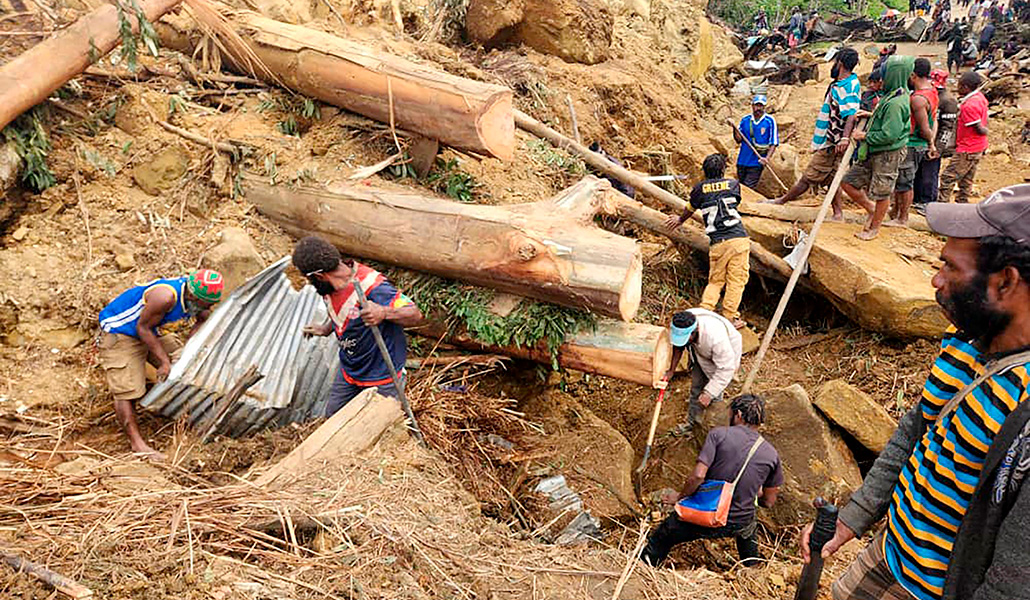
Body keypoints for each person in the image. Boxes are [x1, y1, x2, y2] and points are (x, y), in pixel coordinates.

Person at [801, 184, 1030, 600]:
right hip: (887, 554)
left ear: (1005, 283)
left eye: (951, 268)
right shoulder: (966, 338)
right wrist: (855, 515)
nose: (936, 279)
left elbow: (1016, 574)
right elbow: (918, 427)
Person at [641, 394, 782, 568]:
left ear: (738, 415)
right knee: (749, 529)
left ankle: (644, 567)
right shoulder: (771, 453)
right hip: (739, 521)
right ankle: (753, 570)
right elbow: (768, 501)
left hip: (705, 514)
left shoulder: (718, 435)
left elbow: (698, 476)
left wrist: (679, 497)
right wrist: (749, 493)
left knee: (662, 536)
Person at [98, 269, 224, 459]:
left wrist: (188, 349)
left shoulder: (199, 301)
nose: (208, 307)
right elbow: (143, 328)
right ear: (192, 296)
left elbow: (202, 318)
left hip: (152, 330)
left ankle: (181, 415)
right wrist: (164, 362)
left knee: (184, 364)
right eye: (204, 303)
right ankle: (137, 444)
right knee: (127, 389)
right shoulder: (165, 297)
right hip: (120, 332)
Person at [292, 236, 423, 416]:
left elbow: (415, 314)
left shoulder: (373, 286)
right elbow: (342, 311)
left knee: (378, 422)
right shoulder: (328, 287)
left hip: (381, 373)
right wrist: (326, 329)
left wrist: (384, 313)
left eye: (310, 280)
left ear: (319, 276)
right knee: (333, 417)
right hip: (350, 370)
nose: (310, 284)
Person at [770, 47, 862, 222]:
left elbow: (851, 114)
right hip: (833, 140)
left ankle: (781, 201)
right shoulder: (844, 83)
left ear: (840, 63)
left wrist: (844, 138)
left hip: (832, 142)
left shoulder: (846, 86)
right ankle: (838, 214)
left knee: (809, 176)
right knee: (832, 178)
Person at [665, 154, 750, 328]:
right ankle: (730, 317)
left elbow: (690, 208)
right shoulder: (733, 184)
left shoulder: (699, 189)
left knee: (715, 281)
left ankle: (705, 311)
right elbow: (735, 202)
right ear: (723, 169)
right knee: (736, 280)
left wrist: (680, 220)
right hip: (737, 239)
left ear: (704, 171)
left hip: (717, 242)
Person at [841, 55, 912, 241]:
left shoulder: (896, 103)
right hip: (873, 150)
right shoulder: (892, 95)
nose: (880, 81)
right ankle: (871, 209)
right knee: (848, 182)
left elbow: (890, 134)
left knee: (882, 192)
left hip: (887, 153)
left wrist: (864, 136)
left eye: (884, 76)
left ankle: (874, 228)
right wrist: (871, 115)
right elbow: (886, 120)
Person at [661, 309, 743, 428]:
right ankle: (692, 423)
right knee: (697, 387)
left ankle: (712, 428)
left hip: (724, 357)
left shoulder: (716, 339)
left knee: (714, 394)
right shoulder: (683, 321)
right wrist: (671, 370)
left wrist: (709, 393)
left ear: (695, 331)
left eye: (686, 338)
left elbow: (725, 369)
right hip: (701, 351)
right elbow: (678, 346)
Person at [887, 58, 938, 228]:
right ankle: (896, 211)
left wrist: (929, 142)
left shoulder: (917, 99)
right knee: (902, 181)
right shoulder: (932, 92)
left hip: (912, 144)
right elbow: (934, 120)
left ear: (913, 75)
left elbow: (924, 128)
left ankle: (903, 218)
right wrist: (931, 143)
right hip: (918, 144)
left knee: (905, 182)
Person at [939, 71, 988, 204]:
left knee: (947, 178)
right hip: (977, 147)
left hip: (967, 148)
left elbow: (979, 128)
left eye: (959, 85)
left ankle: (942, 205)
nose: (957, 88)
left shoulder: (969, 106)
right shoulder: (979, 97)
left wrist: (985, 131)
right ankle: (962, 202)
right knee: (966, 179)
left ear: (966, 87)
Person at [914, 69, 958, 211]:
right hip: (922, 141)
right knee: (918, 173)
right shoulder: (927, 95)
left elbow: (947, 128)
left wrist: (938, 148)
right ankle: (917, 199)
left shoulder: (948, 101)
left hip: (934, 143)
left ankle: (928, 202)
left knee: (929, 175)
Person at [732, 95, 779, 190]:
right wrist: (734, 127)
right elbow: (738, 139)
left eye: (761, 106)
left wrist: (767, 158)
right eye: (757, 105)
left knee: (748, 188)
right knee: (740, 187)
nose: (759, 108)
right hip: (742, 160)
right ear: (752, 106)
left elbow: (773, 142)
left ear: (764, 107)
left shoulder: (769, 121)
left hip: (756, 162)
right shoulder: (745, 120)